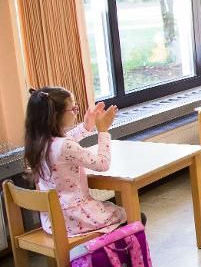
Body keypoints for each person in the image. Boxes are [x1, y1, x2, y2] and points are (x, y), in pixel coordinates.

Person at [23, 87, 127, 236]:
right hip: (73, 219)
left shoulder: (38, 143)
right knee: (130, 216)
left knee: (112, 210)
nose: (76, 111)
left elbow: (68, 139)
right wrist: (103, 130)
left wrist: (87, 126)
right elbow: (103, 164)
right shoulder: (65, 145)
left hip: (51, 220)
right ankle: (105, 257)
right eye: (73, 109)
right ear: (56, 115)